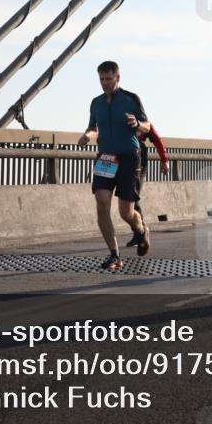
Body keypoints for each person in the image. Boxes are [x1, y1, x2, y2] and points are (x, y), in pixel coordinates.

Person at [78, 61, 152, 271]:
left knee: (125, 212)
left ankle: (141, 230)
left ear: (117, 78)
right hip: (106, 158)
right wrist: (87, 136)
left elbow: (147, 125)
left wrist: (137, 124)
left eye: (108, 79)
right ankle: (114, 255)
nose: (105, 83)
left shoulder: (130, 99)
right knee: (102, 203)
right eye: (101, 79)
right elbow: (93, 127)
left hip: (129, 157)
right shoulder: (96, 103)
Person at [125, 124, 170, 248]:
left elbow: (157, 139)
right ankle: (139, 231)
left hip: (139, 158)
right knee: (125, 200)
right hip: (120, 157)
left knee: (133, 197)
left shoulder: (143, 121)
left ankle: (141, 231)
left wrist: (164, 160)